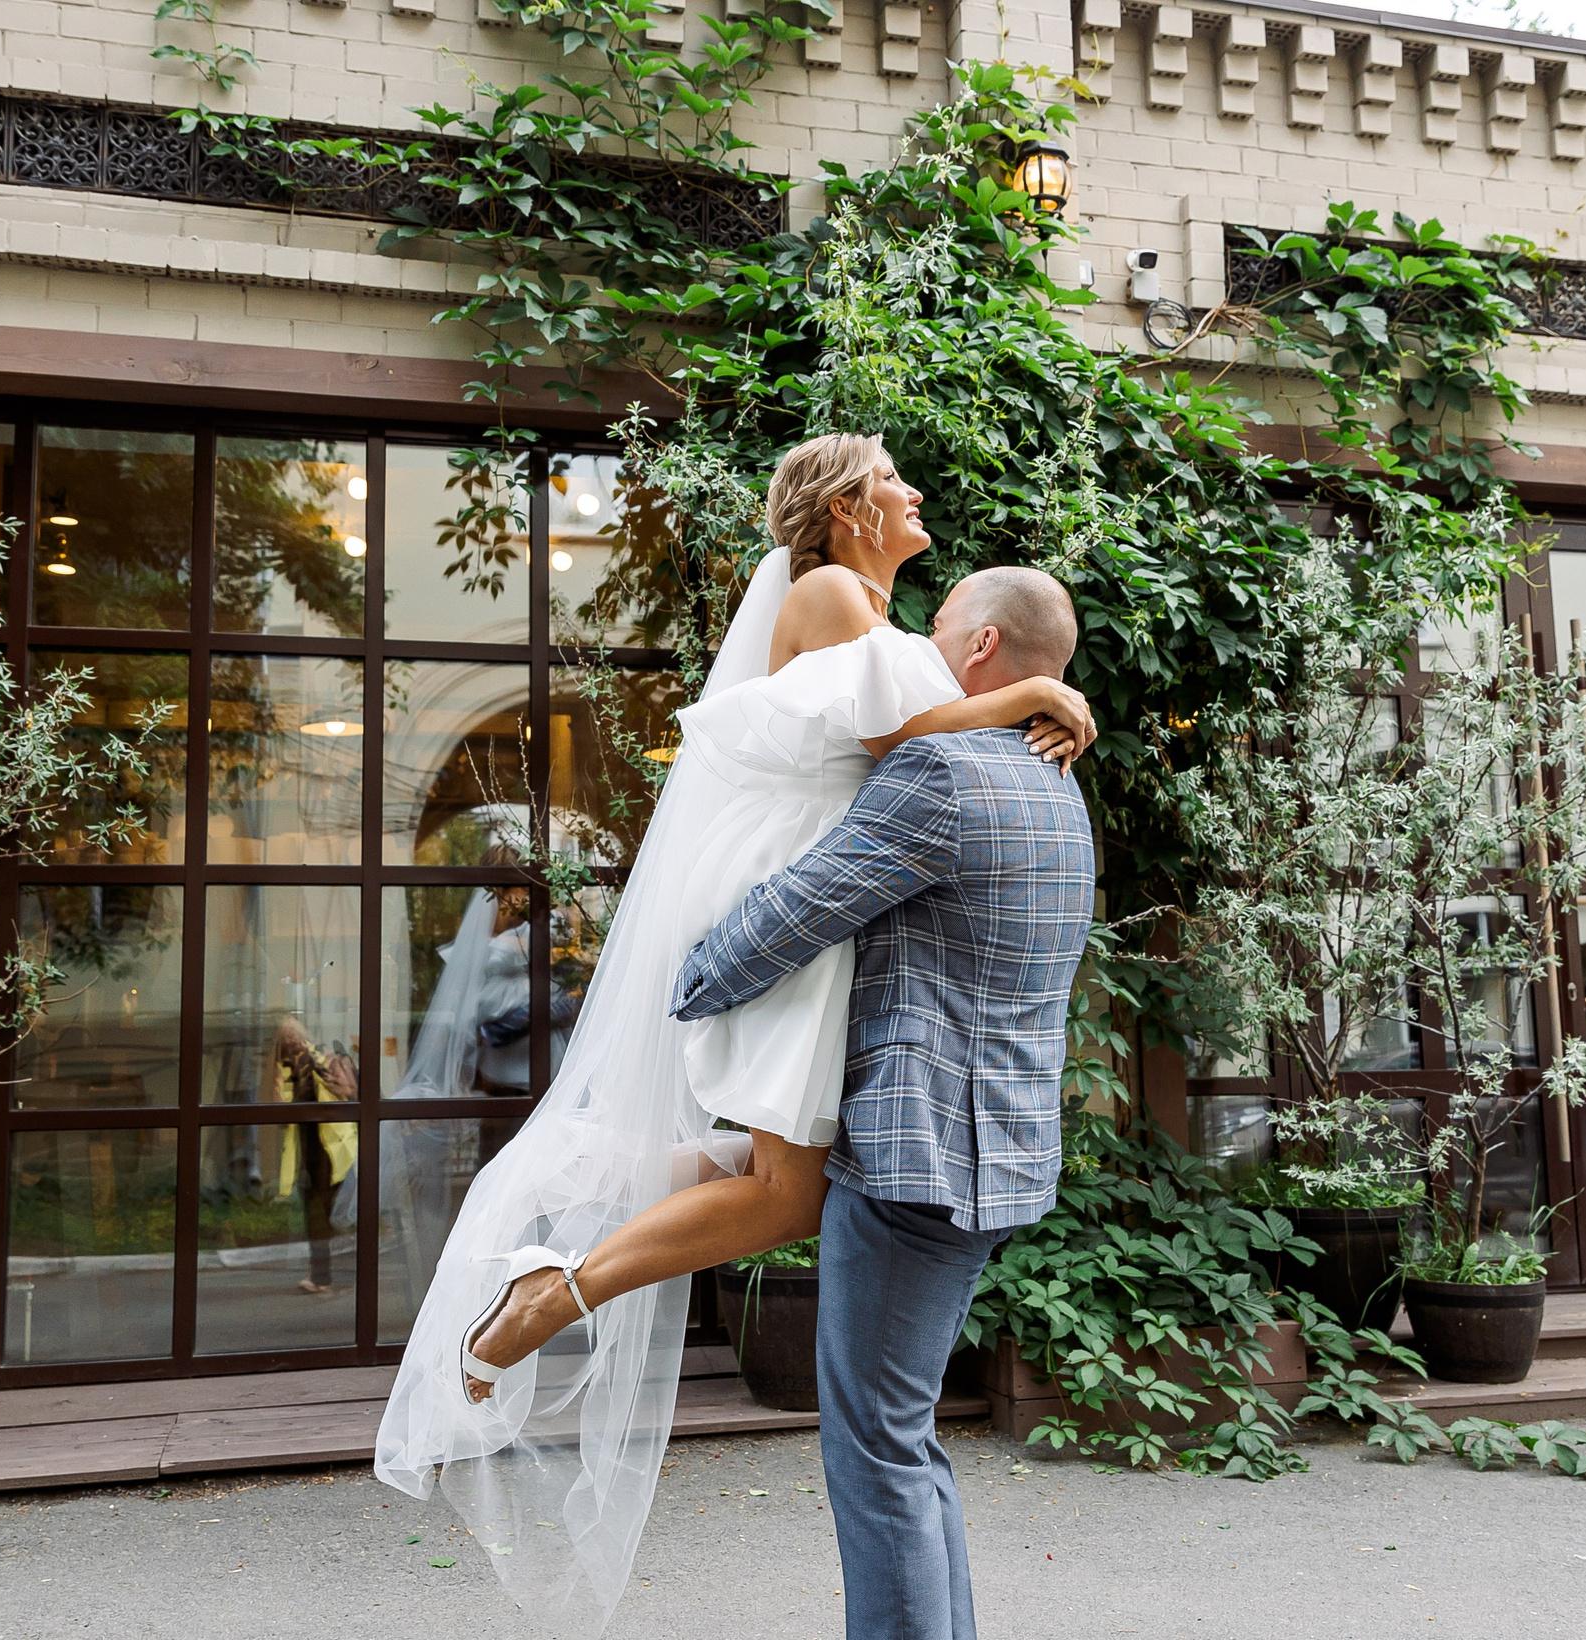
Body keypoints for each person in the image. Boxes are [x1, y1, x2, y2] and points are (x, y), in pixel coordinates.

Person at [369, 432, 1094, 1631]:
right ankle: (575, 1248)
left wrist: (680, 979)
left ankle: (571, 1251)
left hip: (873, 1052)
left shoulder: (946, 734)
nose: (918, 497)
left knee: (827, 1309)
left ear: (972, 645)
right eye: (898, 482)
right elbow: (882, 739)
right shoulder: (995, 739)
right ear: (851, 503)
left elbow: (885, 773)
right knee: (804, 1236)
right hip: (948, 1085)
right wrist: (1029, 694)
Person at [670, 564, 1095, 1640]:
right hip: (997, 1150)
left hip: (917, 1156)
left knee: (876, 1444)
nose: (917, 640)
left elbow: (800, 911)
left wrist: (679, 978)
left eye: (938, 624)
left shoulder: (942, 771)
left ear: (985, 649)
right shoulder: (1055, 785)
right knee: (902, 1435)